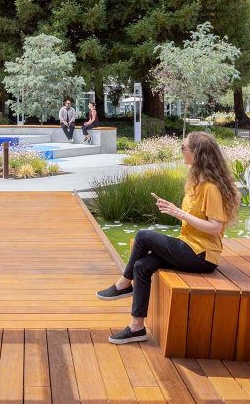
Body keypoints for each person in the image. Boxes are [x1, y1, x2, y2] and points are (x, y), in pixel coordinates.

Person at [96, 131, 239, 344]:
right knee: (142, 266)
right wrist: (174, 210)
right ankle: (137, 327)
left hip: (202, 255)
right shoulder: (196, 183)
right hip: (189, 246)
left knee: (143, 236)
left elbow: (215, 228)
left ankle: (123, 284)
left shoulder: (211, 188)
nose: (181, 151)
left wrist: (179, 213)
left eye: (184, 148)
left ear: (197, 155)